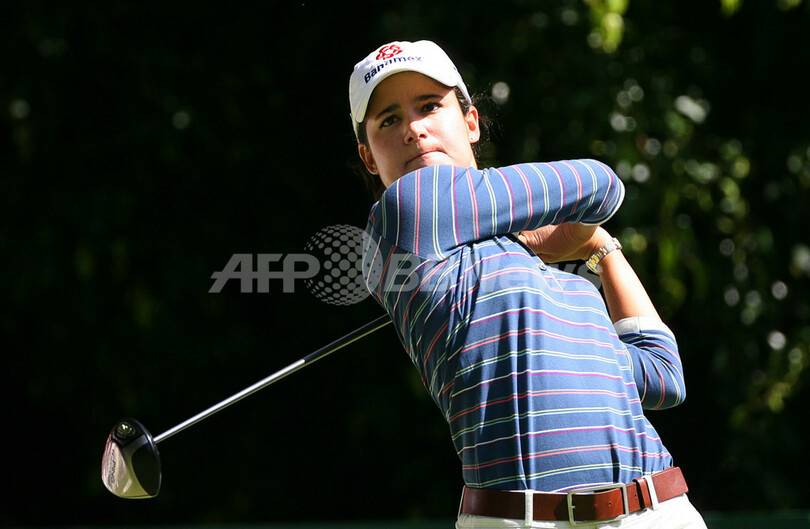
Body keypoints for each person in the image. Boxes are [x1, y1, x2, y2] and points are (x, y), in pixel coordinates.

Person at [348, 40, 707, 528]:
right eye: (389, 120)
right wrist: (551, 232)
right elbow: (600, 184)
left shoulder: (565, 287)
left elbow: (662, 378)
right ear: (369, 158)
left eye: (429, 106)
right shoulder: (401, 214)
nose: (414, 128)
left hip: (657, 509)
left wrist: (602, 251)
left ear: (470, 122)